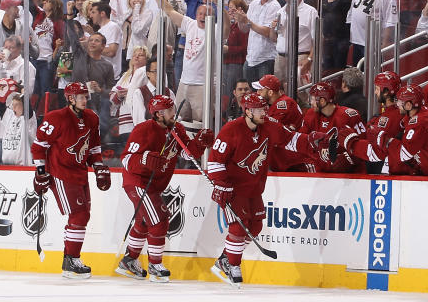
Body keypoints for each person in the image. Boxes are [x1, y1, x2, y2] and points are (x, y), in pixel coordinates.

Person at [208, 93, 315, 287]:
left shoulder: (269, 126)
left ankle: (224, 259)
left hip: (254, 188)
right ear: (247, 111)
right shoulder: (231, 130)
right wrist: (220, 183)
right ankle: (233, 265)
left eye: (264, 108)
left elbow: (290, 139)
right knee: (238, 228)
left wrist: (313, 141)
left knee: (255, 227)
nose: (264, 112)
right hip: (233, 188)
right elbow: (215, 161)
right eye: (258, 109)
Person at [116, 96, 213, 282]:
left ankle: (129, 260)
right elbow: (126, 159)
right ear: (158, 114)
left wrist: (200, 142)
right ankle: (155, 264)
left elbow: (186, 152)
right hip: (137, 182)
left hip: (154, 186)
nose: (173, 113)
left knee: (144, 222)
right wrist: (145, 159)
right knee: (159, 219)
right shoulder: (143, 130)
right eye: (169, 110)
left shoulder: (177, 129)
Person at [30, 82, 108, 279]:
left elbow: (94, 148)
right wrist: (41, 171)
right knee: (79, 215)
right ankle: (71, 260)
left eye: (86, 95)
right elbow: (38, 147)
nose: (85, 99)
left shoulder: (92, 117)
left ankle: (70, 259)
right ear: (70, 99)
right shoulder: (55, 118)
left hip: (80, 172)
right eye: (81, 96)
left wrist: (98, 166)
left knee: (83, 216)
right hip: (61, 173)